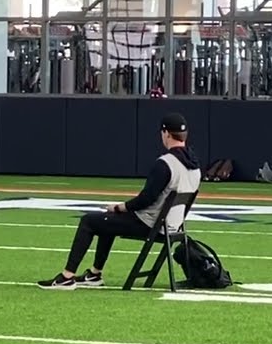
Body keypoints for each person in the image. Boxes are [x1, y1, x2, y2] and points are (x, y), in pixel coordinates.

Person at [37, 113, 202, 290]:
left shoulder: (166, 163)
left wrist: (120, 207)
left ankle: (67, 276)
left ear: (166, 133)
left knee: (88, 221)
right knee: (108, 219)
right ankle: (94, 274)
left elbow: (146, 199)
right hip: (172, 227)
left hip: (151, 224)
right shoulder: (195, 166)